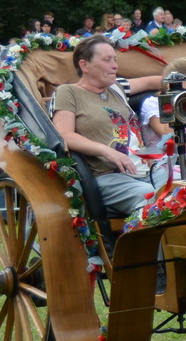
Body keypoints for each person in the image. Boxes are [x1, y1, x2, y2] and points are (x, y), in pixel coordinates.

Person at [51, 38, 172, 219]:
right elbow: (64, 134)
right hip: (107, 176)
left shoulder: (116, 87)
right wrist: (107, 151)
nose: (115, 65)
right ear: (84, 65)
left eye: (114, 59)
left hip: (148, 170)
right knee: (152, 196)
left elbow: (151, 83)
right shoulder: (68, 92)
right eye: (107, 60)